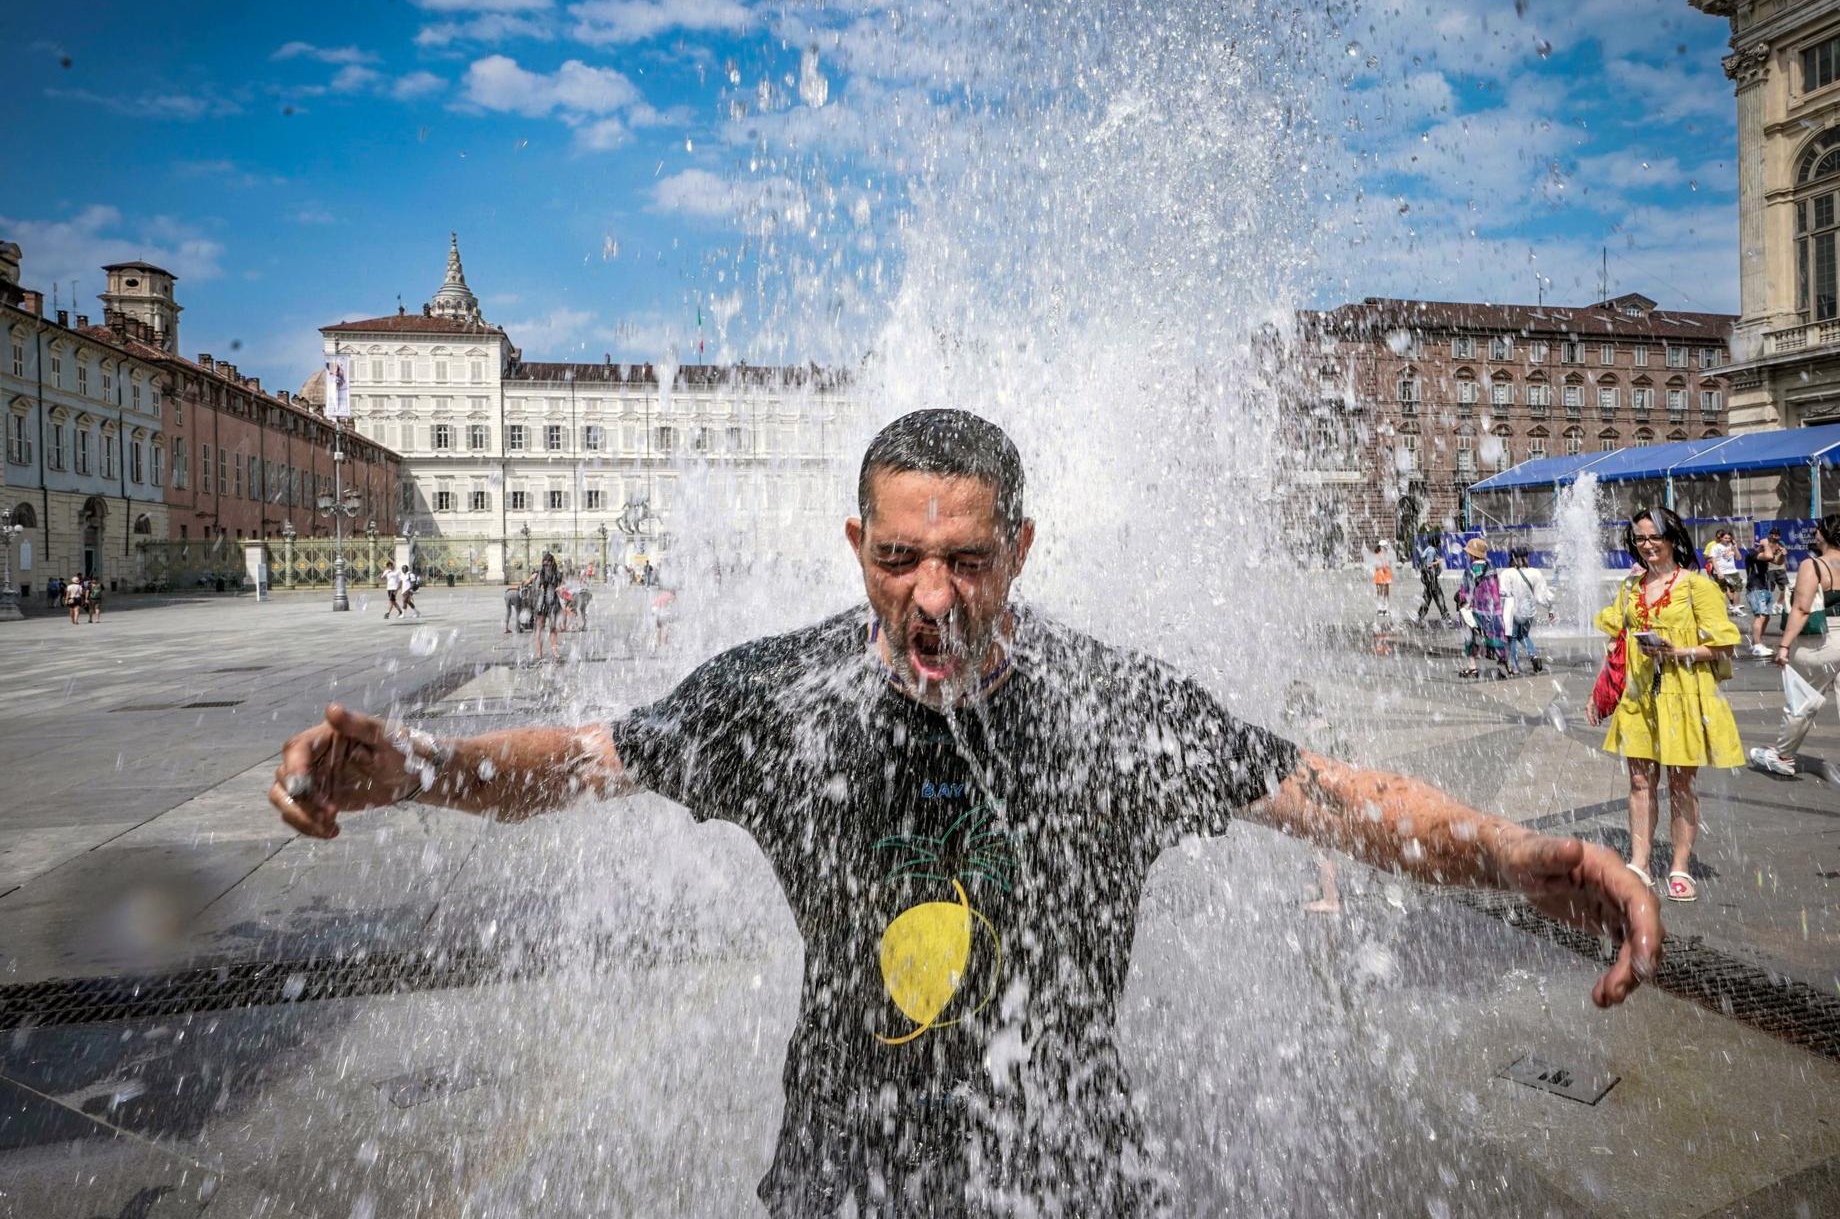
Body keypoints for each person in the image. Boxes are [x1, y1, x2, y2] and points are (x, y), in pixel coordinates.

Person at [269, 409, 1658, 1217]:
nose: (933, 598)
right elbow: (577, 761)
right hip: (839, 1170)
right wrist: (426, 769)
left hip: (1069, 1169)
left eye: (968, 560)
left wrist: (1514, 857)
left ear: (1021, 551)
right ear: (857, 551)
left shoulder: (1112, 710)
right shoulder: (780, 700)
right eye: (899, 560)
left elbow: (1335, 797)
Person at [1591, 507, 1743, 903]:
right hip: (1639, 698)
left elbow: (1723, 645)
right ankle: (1639, 863)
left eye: (1654, 537)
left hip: (1683, 695)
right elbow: (1616, 637)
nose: (1647, 545)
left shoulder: (1696, 587)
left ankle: (1679, 865)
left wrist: (1679, 651)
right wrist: (1605, 680)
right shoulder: (1631, 587)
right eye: (1640, 538)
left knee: (1680, 784)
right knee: (1640, 782)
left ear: (1672, 538)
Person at [1748, 513, 1840, 796]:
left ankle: (1783, 756)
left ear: (1820, 535)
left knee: (1803, 698)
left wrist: (1784, 645)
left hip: (1826, 638)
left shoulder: (1814, 565)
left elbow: (1802, 608)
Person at [1455, 537, 1506, 679]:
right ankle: (1502, 667)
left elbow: (1465, 591)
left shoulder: (1470, 569)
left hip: (1477, 610)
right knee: (1496, 637)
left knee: (1470, 636)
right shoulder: (1492, 567)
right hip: (1494, 610)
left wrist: (1463, 603)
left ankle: (1472, 668)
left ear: (1472, 555)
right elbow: (1496, 587)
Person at [1498, 544, 1554, 675]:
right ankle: (1533, 656)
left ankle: (1514, 667)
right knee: (1523, 635)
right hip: (1529, 612)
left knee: (1511, 638)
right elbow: (1542, 595)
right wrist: (1550, 609)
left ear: (1512, 557)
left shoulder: (1507, 573)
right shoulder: (1535, 572)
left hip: (1513, 611)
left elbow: (1503, 593)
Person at [1745, 528, 1787, 657]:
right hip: (1755, 588)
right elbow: (1769, 555)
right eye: (1773, 547)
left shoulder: (1764, 556)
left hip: (1764, 587)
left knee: (1766, 616)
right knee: (1760, 616)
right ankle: (1757, 645)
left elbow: (1776, 561)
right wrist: (1766, 544)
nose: (1775, 549)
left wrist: (1783, 554)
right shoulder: (1753, 554)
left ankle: (1756, 643)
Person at [532, 552, 563, 662]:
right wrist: (539, 589)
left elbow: (560, 587)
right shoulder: (540, 574)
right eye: (545, 564)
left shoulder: (557, 574)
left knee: (553, 627)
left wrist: (560, 590)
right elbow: (535, 588)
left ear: (552, 563)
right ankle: (539, 652)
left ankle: (554, 651)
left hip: (553, 601)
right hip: (542, 602)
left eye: (548, 564)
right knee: (539, 628)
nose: (547, 566)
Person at [1413, 535, 1446, 624]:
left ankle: (1420, 616)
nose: (1440, 544)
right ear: (1437, 543)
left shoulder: (1429, 549)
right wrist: (1438, 562)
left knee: (1428, 597)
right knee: (1438, 596)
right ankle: (1445, 616)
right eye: (1439, 542)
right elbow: (1429, 565)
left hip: (1428, 577)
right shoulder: (1431, 550)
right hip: (1430, 578)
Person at [1368, 540, 1393, 621]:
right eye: (1385, 547)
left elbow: (1388, 565)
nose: (1386, 548)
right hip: (1381, 575)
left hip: (1384, 575)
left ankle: (1383, 609)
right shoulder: (1378, 555)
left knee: (1382, 592)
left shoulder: (1385, 555)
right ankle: (1382, 608)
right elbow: (1377, 566)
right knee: (1383, 592)